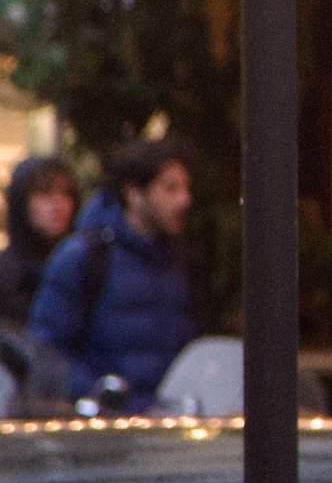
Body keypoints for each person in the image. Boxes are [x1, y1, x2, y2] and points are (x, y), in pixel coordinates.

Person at [30, 139, 198, 405]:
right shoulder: (85, 257)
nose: (184, 200)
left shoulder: (178, 260)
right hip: (108, 422)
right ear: (134, 192)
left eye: (186, 188)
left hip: (170, 418)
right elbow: (48, 350)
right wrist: (101, 394)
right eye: (170, 188)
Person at [0, 154, 76, 329]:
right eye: (45, 193)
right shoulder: (6, 272)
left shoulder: (88, 265)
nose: (58, 203)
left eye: (66, 193)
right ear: (22, 202)